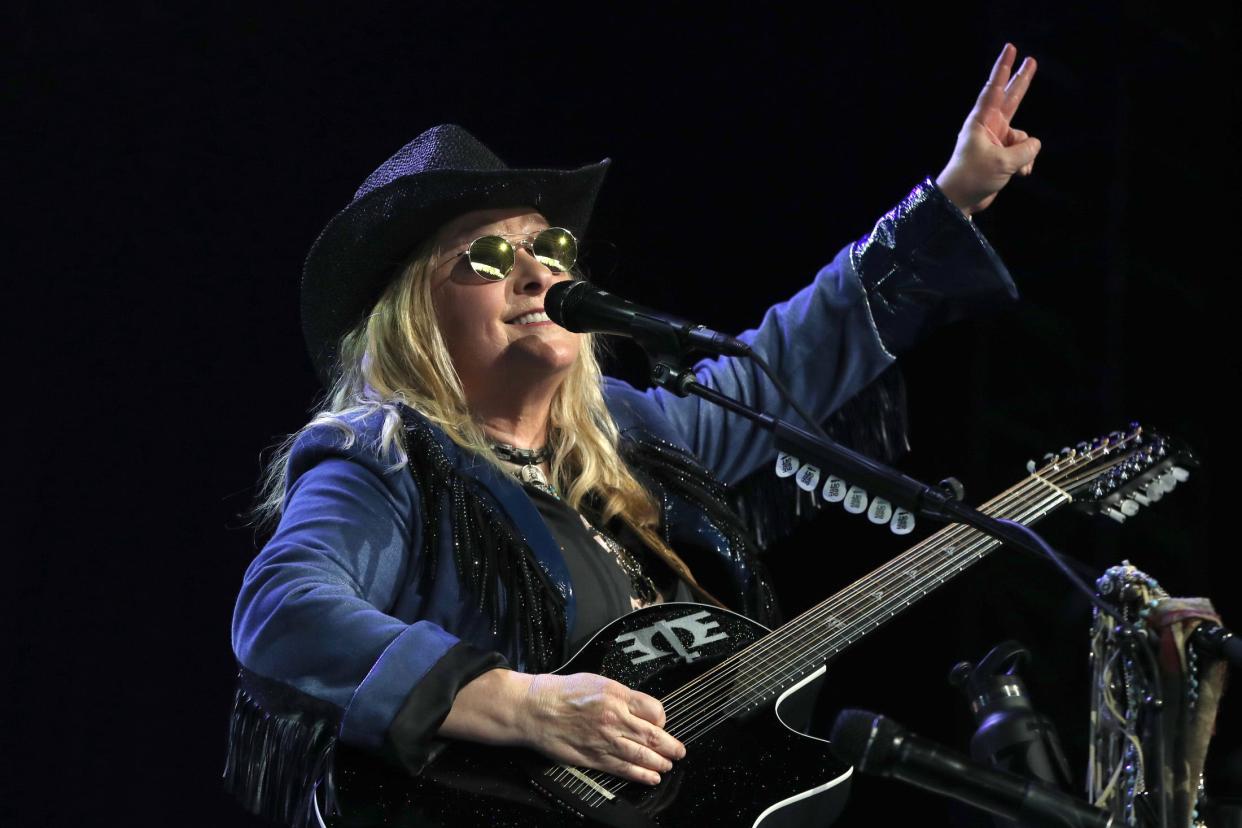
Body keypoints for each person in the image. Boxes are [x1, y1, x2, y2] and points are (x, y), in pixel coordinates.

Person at [226, 44, 1040, 826]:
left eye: (550, 245)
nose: (538, 270)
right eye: (487, 255)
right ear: (416, 318)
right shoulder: (384, 456)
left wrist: (952, 196)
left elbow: (786, 361)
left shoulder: (636, 434)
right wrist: (525, 705)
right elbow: (282, 608)